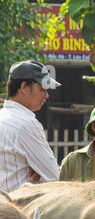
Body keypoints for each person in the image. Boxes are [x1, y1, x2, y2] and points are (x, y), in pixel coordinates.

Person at [0, 60, 60, 193]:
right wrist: (40, 171)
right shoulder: (27, 124)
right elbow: (53, 177)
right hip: (16, 208)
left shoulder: (3, 117)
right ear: (23, 87)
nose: (46, 95)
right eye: (42, 89)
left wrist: (40, 169)